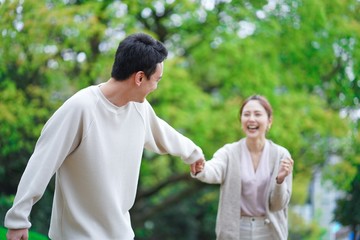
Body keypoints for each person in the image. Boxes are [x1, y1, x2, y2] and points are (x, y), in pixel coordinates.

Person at [5, 33, 204, 240]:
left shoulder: (140, 109)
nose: (156, 87)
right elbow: (42, 162)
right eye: (156, 80)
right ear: (139, 77)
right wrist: (18, 220)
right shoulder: (80, 108)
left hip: (120, 234)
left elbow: (163, 133)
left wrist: (193, 154)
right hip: (76, 235)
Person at [192, 95, 294, 240]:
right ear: (241, 121)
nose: (251, 119)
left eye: (257, 114)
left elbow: (278, 205)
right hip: (236, 231)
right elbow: (213, 169)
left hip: (269, 232)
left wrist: (280, 180)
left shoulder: (281, 155)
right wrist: (201, 167)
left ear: (269, 121)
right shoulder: (229, 152)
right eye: (246, 114)